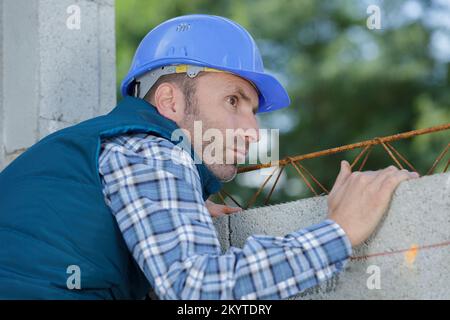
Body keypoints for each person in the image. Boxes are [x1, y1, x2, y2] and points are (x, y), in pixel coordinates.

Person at [0, 14, 419, 299]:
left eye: (254, 111)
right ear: (169, 101)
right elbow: (196, 291)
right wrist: (339, 232)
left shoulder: (112, 150)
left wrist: (185, 206)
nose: (254, 131)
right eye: (233, 100)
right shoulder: (149, 148)